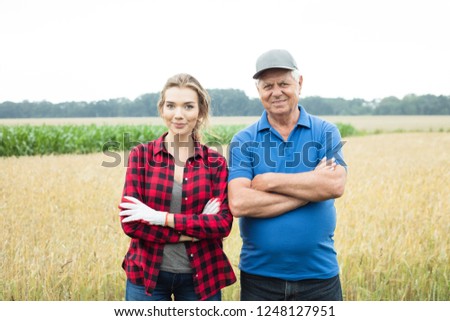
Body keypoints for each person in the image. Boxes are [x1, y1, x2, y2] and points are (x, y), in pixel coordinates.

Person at [228, 49, 347, 301]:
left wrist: (269, 181)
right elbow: (239, 202)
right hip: (259, 279)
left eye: (283, 83)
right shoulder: (244, 140)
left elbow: (335, 185)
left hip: (319, 277)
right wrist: (311, 190)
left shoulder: (325, 131)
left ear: (299, 83)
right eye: (267, 86)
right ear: (259, 91)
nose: (276, 92)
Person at [119, 73, 236, 301]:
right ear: (162, 109)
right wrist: (193, 233)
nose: (179, 115)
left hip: (202, 276)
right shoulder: (140, 156)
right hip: (147, 275)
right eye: (171, 105)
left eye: (188, 106)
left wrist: (159, 217)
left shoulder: (215, 163)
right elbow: (131, 224)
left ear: (200, 111)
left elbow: (222, 224)